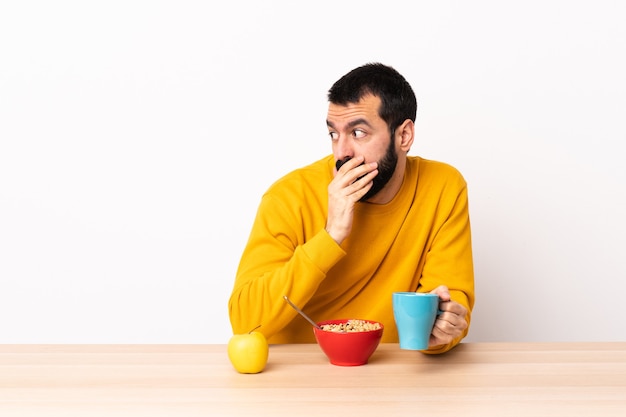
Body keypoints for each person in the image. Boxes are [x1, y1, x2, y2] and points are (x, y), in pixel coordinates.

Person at [229, 62, 474, 354]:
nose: (341, 152)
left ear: (404, 136)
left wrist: (441, 330)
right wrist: (330, 236)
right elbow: (244, 321)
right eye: (334, 134)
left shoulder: (443, 187)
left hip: (392, 376)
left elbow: (448, 302)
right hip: (296, 379)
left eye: (358, 133)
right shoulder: (288, 196)